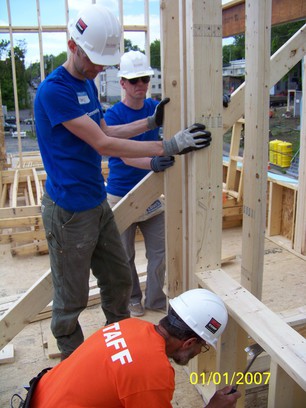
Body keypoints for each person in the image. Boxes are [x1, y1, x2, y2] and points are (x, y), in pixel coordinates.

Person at [34, 4, 212, 360]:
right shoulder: (56, 91)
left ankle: (120, 351)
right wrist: (168, 145)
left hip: (96, 203)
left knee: (118, 282)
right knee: (71, 300)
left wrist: (150, 124)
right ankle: (74, 366)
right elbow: (103, 145)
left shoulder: (86, 84)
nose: (101, 67)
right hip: (69, 211)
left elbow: (105, 130)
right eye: (95, 58)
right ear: (73, 45)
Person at [27, 289, 241, 407]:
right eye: (202, 347)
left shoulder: (130, 325)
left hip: (40, 399)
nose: (197, 354)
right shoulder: (154, 372)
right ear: (189, 343)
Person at [105, 50, 173, 317]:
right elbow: (124, 155)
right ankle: (133, 298)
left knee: (160, 252)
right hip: (121, 195)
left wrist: (216, 101)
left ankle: (155, 301)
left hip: (151, 194)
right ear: (122, 83)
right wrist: (153, 163)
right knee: (124, 257)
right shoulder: (113, 116)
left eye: (144, 79)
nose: (141, 85)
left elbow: (183, 108)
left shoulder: (154, 108)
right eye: (134, 81)